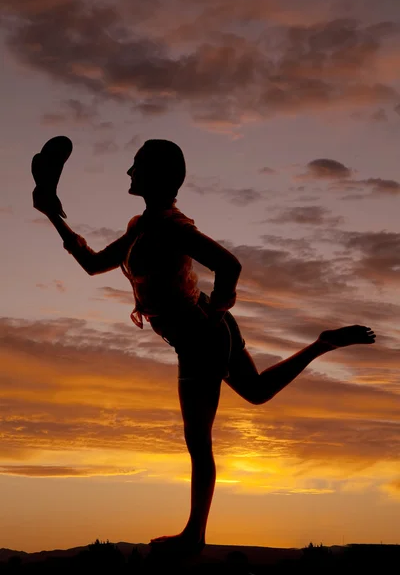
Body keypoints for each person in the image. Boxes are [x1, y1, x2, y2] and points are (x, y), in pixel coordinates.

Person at [32, 139, 376, 555]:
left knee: (198, 439)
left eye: (136, 165)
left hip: (199, 339)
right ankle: (322, 343)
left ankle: (194, 535)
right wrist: (53, 214)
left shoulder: (172, 227)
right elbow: (93, 265)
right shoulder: (142, 225)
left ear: (156, 175)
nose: (129, 172)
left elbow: (229, 265)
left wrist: (214, 312)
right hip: (206, 331)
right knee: (257, 393)